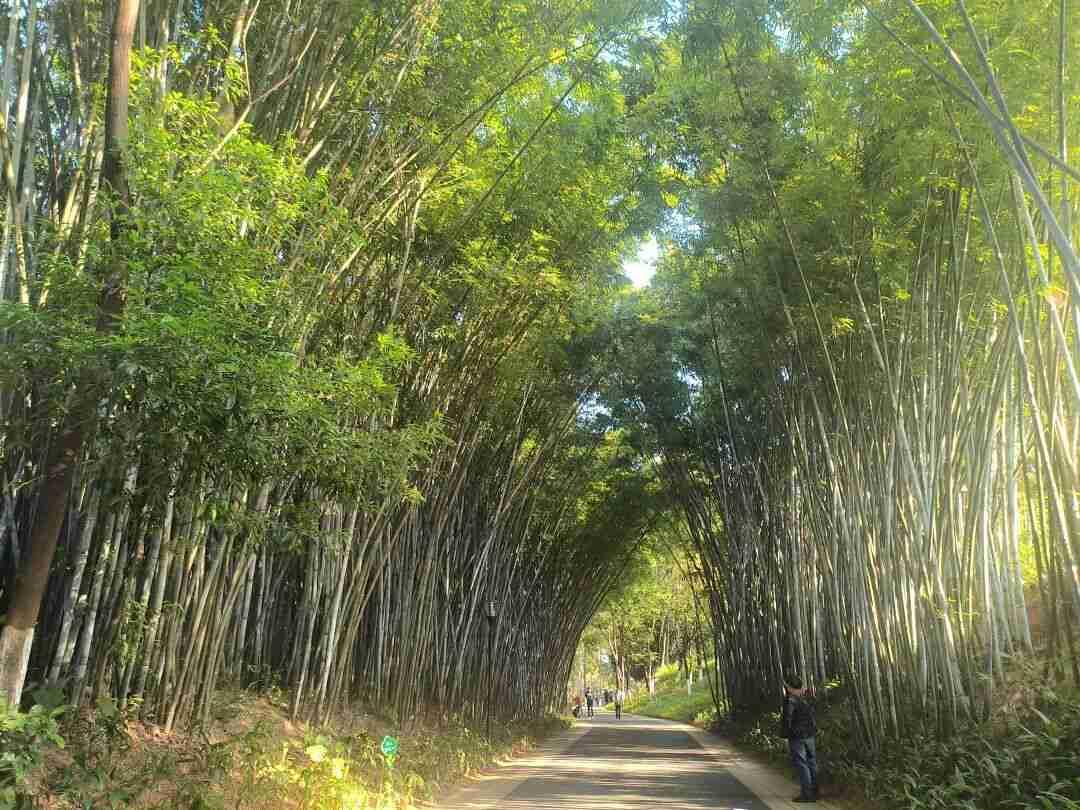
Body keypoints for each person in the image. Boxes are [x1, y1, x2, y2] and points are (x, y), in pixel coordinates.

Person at [781, 674, 818, 803]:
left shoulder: (790, 699)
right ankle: (814, 791)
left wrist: (786, 734)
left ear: (789, 687)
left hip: (798, 737)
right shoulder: (806, 696)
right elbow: (813, 715)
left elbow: (788, 719)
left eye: (786, 685)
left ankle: (807, 795)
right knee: (811, 762)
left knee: (802, 764)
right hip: (810, 735)